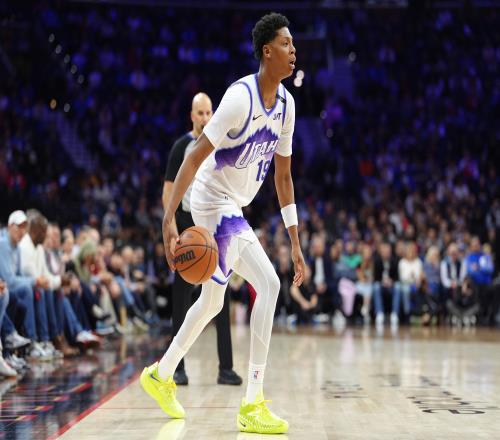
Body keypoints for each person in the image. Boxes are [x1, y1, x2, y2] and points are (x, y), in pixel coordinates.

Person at [141, 12, 304, 434]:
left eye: (293, 44)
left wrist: (295, 240)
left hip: (234, 204)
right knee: (269, 283)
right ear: (267, 51)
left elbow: (284, 178)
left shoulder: (287, 106)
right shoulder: (239, 98)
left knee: (213, 302)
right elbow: (195, 156)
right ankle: (253, 402)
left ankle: (161, 373)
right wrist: (168, 217)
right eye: (286, 43)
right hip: (211, 200)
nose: (293, 50)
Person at [162, 92, 242, 386]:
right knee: (180, 299)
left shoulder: (220, 142)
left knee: (222, 297)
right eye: (200, 113)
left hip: (213, 222)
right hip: (187, 225)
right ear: (191, 115)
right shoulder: (181, 147)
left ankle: (226, 368)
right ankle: (177, 368)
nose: (205, 118)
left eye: (209, 112)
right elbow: (168, 191)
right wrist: (171, 228)